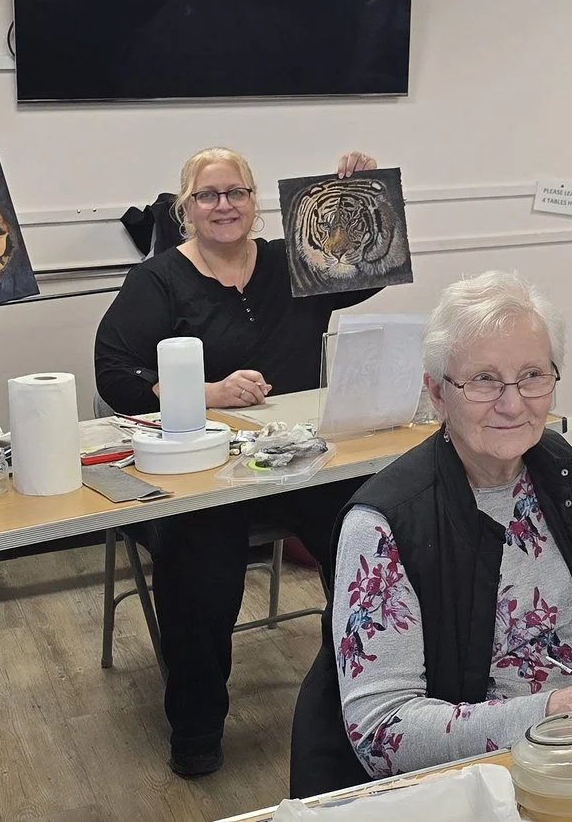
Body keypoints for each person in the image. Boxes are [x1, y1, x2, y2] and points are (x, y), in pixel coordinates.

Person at [91, 146, 381, 777]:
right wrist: (207, 394)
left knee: (373, 533)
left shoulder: (291, 261)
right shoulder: (159, 279)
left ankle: (373, 699)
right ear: (186, 208)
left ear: (255, 200)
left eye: (237, 192)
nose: (223, 205)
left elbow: (368, 267)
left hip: (301, 461)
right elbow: (114, 373)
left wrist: (358, 196)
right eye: (208, 195)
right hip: (203, 470)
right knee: (201, 566)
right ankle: (196, 731)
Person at [291, 271, 572, 790]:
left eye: (532, 375)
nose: (512, 403)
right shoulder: (383, 525)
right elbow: (383, 732)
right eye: (483, 380)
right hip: (475, 781)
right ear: (437, 392)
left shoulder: (567, 469)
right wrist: (549, 711)